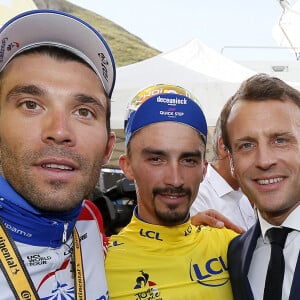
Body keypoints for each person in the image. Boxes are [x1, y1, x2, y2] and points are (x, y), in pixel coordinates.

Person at [0, 9, 116, 299]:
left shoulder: (89, 217)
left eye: (84, 111)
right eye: (30, 104)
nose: (60, 130)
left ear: (107, 149)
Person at [105, 84, 238, 299]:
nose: (175, 180)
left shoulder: (233, 246)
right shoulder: (96, 262)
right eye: (156, 159)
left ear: (203, 170)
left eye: (188, 160)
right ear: (127, 166)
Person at [221, 74, 300, 300]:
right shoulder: (236, 254)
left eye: (280, 140)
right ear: (232, 161)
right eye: (246, 145)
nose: (264, 160)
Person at [190, 116, 256, 231]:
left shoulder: (244, 192)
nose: (264, 159)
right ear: (223, 146)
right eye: (248, 145)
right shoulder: (196, 197)